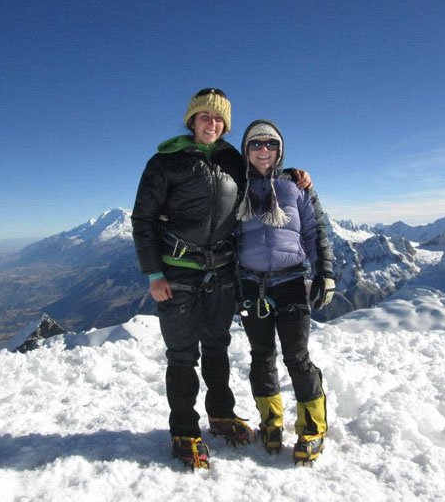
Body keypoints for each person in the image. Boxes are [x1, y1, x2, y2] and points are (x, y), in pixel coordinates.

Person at [131, 89, 311, 469]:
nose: (211, 124)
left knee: (217, 347)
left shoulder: (233, 160)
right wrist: (154, 273)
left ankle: (222, 414)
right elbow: (143, 220)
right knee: (182, 354)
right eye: (204, 117)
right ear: (192, 121)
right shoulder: (165, 162)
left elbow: (265, 174)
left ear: (225, 126)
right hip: (178, 272)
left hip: (223, 272)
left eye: (218, 120)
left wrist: (293, 175)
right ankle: (184, 429)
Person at [235, 119, 335, 465]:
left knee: (296, 355)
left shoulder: (296, 186)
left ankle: (312, 428)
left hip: (292, 281)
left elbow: (315, 231)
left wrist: (325, 273)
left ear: (281, 150)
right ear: (245, 151)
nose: (264, 150)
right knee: (261, 355)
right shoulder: (235, 186)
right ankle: (271, 422)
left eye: (271, 144)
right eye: (256, 144)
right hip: (250, 282)